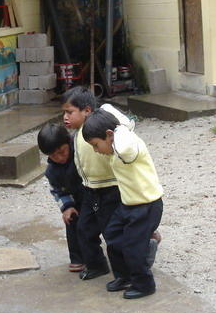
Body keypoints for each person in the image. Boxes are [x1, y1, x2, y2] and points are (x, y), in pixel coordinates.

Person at [61, 86, 155, 281]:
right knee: (84, 229)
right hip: (90, 190)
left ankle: (136, 261)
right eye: (64, 112)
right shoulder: (79, 134)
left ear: (87, 110)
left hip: (111, 188)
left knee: (113, 231)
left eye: (70, 112)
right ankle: (97, 265)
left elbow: (126, 125)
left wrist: (107, 108)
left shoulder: (104, 125)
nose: (65, 117)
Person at [82, 108, 164, 299]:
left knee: (132, 247)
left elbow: (125, 146)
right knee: (112, 235)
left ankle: (144, 285)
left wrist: (119, 130)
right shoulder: (115, 143)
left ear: (110, 135)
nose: (96, 150)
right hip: (128, 204)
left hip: (147, 205)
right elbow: (108, 108)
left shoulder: (128, 144)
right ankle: (124, 276)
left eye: (96, 145)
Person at [37, 123, 85, 272]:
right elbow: (58, 191)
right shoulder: (52, 172)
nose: (59, 158)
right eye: (53, 155)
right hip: (76, 201)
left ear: (69, 142)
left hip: (94, 196)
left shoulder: (81, 153)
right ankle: (78, 258)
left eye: (62, 151)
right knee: (71, 219)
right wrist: (67, 206)